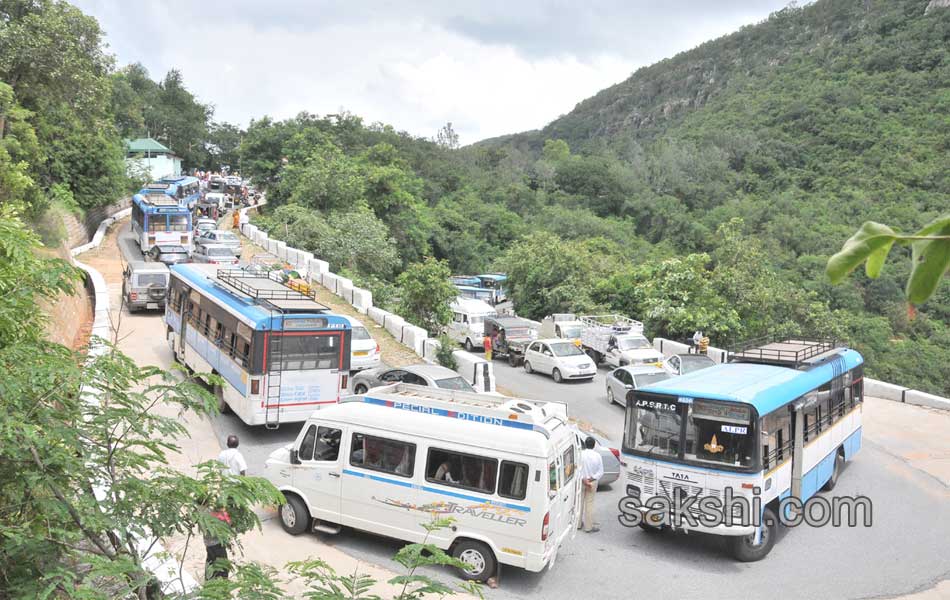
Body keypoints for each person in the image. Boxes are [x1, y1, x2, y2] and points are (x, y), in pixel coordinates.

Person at [578, 436, 604, 533]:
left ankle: (578, 524)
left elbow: (577, 469)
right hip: (592, 483)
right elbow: (600, 472)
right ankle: (588, 527)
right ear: (593, 446)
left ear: (585, 444)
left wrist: (584, 479)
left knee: (579, 503)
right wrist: (590, 480)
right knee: (589, 504)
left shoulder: (580, 454)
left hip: (581, 481)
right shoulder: (597, 456)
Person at [203, 502, 231, 580]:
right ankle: (221, 583)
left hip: (208, 544)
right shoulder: (220, 516)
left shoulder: (205, 513)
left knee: (210, 561)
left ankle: (209, 581)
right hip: (217, 545)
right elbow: (228, 527)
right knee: (223, 566)